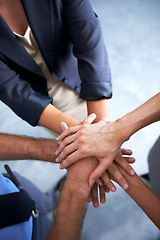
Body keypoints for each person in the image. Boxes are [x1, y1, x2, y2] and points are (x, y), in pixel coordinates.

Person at [0, 0, 135, 194]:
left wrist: (99, 133)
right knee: (77, 149)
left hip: (84, 83)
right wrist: (93, 141)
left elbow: (90, 42)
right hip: (42, 104)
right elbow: (11, 89)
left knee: (87, 152)